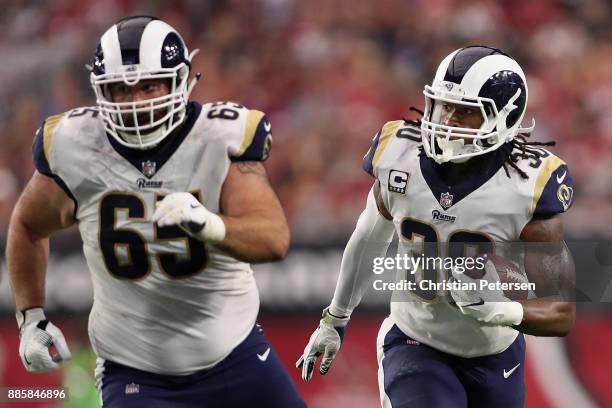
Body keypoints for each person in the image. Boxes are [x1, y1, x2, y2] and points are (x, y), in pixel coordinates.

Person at [7, 16, 305, 408]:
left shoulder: (218, 138)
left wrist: (209, 225)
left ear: (180, 82)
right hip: (136, 373)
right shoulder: (75, 145)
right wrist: (31, 319)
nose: (135, 102)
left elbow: (273, 237)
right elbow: (27, 226)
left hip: (236, 356)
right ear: (101, 91)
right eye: (121, 89)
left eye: (149, 86)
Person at [297, 45, 576, 407]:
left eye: (466, 112)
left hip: (496, 355)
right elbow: (369, 237)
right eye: (444, 106)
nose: (448, 120)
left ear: (505, 119)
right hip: (417, 341)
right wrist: (334, 319)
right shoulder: (400, 157)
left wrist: (500, 311)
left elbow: (560, 311)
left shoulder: (530, 184)